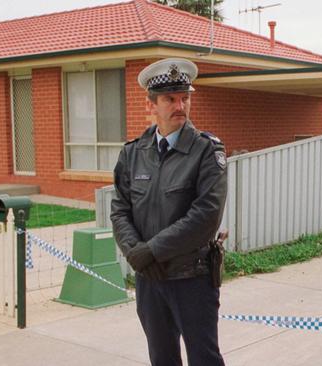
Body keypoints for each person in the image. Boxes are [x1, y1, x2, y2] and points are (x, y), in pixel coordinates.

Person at [110, 58, 227, 366]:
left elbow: (206, 216)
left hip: (192, 278)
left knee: (204, 358)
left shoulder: (206, 150)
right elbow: (120, 209)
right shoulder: (133, 153)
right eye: (170, 99)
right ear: (152, 105)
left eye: (184, 97)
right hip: (150, 279)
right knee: (161, 358)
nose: (180, 105)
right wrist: (135, 252)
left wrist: (151, 250)